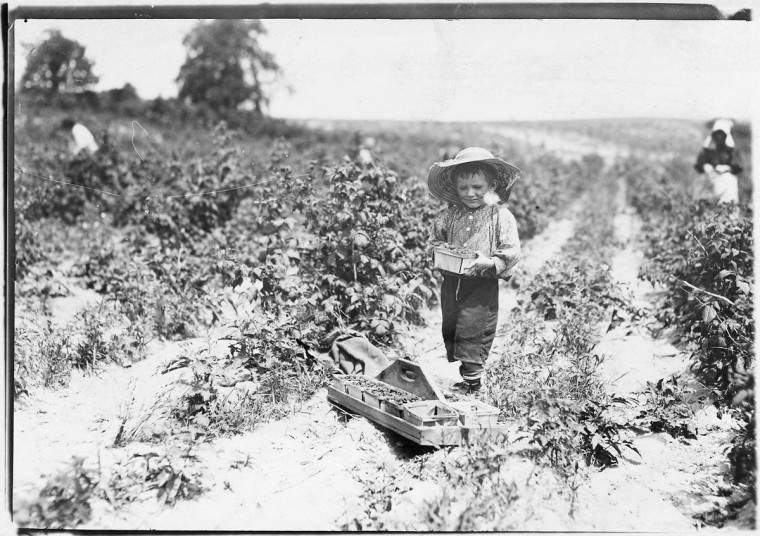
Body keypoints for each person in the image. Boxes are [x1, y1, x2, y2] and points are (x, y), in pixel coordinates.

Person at [427, 147, 521, 393]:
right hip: (452, 282)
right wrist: (442, 253)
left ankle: (473, 383)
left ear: (492, 185)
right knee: (453, 326)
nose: (470, 194)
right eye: (463, 188)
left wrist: (489, 262)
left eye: (478, 187)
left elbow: (511, 250)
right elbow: (435, 241)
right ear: (455, 188)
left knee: (474, 328)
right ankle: (467, 376)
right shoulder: (450, 215)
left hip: (481, 284)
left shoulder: (500, 216)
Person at [694, 119, 742, 204]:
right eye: (717, 134)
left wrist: (727, 167)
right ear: (713, 134)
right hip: (710, 180)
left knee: (728, 203)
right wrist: (705, 166)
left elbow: (738, 166)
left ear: (725, 135)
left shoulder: (731, 150)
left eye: (721, 134)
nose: (719, 136)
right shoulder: (707, 149)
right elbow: (698, 165)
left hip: (727, 181)